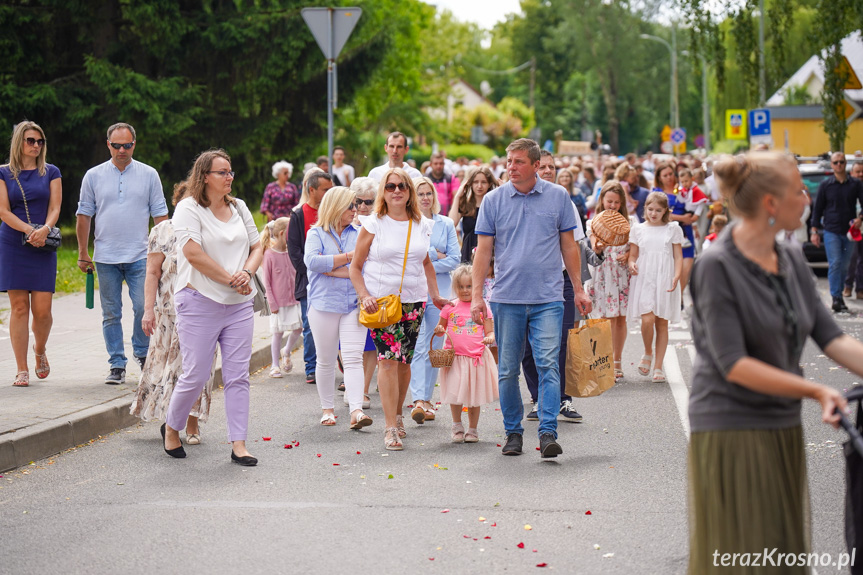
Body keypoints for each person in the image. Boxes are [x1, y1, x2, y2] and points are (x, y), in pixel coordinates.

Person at [686, 152, 863, 574]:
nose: (806, 198)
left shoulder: (791, 258)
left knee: (780, 555)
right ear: (770, 203)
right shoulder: (717, 265)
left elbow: (832, 338)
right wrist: (816, 389)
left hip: (780, 425)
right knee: (744, 556)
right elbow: (734, 364)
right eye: (799, 190)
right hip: (732, 427)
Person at [471, 138, 591, 459]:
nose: (511, 167)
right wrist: (475, 297)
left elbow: (570, 246)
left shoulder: (559, 196)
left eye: (519, 161)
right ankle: (513, 432)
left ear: (537, 166)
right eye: (509, 161)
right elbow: (483, 252)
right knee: (508, 369)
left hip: (548, 298)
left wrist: (578, 288)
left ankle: (548, 430)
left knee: (548, 364)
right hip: (506, 298)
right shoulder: (494, 200)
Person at [162, 149, 262, 466]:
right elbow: (192, 254)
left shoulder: (240, 207)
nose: (229, 177)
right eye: (223, 172)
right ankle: (172, 428)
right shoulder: (188, 209)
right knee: (196, 374)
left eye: (230, 172)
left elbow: (258, 246)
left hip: (239, 305)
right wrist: (231, 279)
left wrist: (246, 273)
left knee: (237, 377)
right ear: (205, 176)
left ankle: (239, 445)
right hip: (198, 300)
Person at [350, 168, 448, 451]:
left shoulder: (421, 224)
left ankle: (398, 415)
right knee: (388, 360)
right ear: (384, 191)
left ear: (409, 192)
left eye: (402, 186)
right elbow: (355, 267)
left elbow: (426, 263)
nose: (396, 190)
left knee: (404, 362)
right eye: (391, 186)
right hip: (382, 303)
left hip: (414, 301)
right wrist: (364, 294)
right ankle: (390, 426)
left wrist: (436, 296)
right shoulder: (373, 224)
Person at [76, 123, 168, 385]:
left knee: (143, 307)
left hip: (141, 255)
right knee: (111, 313)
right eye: (116, 145)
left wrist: (164, 253)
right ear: (108, 145)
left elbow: (160, 216)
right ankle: (117, 363)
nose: (122, 150)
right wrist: (83, 252)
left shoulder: (149, 174)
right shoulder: (93, 176)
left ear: (134, 145)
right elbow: (84, 215)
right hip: (105, 256)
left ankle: (141, 352)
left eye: (127, 145)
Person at [130, 181, 213, 445]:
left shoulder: (209, 228)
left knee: (197, 369)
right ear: (178, 203)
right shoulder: (162, 231)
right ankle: (172, 421)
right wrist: (147, 310)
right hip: (168, 313)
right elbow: (153, 273)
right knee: (168, 370)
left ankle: (191, 423)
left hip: (204, 311)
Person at [304, 186, 373, 430]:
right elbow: (312, 262)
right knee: (325, 360)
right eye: (350, 206)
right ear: (335, 207)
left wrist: (332, 269)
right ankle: (327, 409)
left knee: (354, 358)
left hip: (354, 303)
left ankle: (356, 410)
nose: (355, 210)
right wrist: (348, 259)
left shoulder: (360, 231)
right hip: (324, 305)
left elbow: (364, 266)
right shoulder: (316, 234)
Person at [0, 121, 62, 388]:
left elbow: (56, 207)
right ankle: (21, 369)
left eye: (40, 141)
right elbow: (3, 211)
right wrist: (28, 231)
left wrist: (44, 230)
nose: (36, 145)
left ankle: (39, 350)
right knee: (19, 308)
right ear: (19, 143)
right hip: (14, 242)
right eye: (30, 140)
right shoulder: (3, 173)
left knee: (43, 312)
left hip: (43, 243)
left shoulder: (50, 172)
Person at [408, 177, 460, 425]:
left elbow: (455, 259)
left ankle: (428, 400)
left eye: (429, 193)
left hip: (440, 292)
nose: (425, 198)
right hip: (415, 289)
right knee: (418, 345)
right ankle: (418, 399)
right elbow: (409, 257)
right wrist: (432, 254)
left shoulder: (446, 223)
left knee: (435, 345)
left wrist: (427, 259)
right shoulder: (408, 223)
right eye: (420, 194)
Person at [434, 264, 498, 443]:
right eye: (461, 286)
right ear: (455, 287)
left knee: (473, 396)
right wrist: (439, 328)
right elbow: (440, 330)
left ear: (477, 286)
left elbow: (490, 331)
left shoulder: (482, 307)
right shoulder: (450, 306)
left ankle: (472, 429)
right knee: (455, 393)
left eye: (469, 286)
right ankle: (456, 425)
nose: (465, 290)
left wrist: (489, 338)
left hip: (475, 358)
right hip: (454, 358)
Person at [627, 192, 683, 383]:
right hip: (644, 277)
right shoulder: (638, 229)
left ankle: (658, 366)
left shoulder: (672, 228)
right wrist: (631, 263)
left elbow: (678, 255)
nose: (653, 213)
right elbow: (633, 255)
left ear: (665, 211)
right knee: (647, 319)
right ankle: (647, 351)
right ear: (645, 209)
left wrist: (676, 275)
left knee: (662, 322)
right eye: (650, 209)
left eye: (658, 210)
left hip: (665, 277)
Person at [287, 169, 334, 384]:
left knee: (334, 324)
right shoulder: (298, 214)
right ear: (311, 189)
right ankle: (311, 367)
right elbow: (294, 249)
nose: (329, 193)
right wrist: (312, 270)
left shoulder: (333, 213)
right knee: (309, 324)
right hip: (308, 279)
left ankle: (332, 363)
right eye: (325, 189)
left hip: (335, 276)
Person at [587, 181, 631, 381]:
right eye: (609, 201)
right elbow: (593, 246)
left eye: (616, 202)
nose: (612, 205)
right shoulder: (593, 222)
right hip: (602, 273)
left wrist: (630, 254)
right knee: (602, 320)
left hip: (620, 273)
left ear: (621, 203)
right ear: (602, 200)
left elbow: (636, 247)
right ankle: (603, 362)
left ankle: (618, 361)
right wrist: (599, 247)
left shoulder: (630, 224)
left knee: (620, 319)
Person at [811, 152, 863, 312]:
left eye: (841, 162)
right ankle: (836, 297)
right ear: (832, 165)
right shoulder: (826, 185)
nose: (839, 165)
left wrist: (860, 218)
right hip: (831, 231)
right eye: (835, 163)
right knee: (835, 263)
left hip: (849, 232)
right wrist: (814, 230)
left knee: (845, 265)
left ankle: (839, 294)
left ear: (845, 163)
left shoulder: (855, 184)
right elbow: (817, 209)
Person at [348, 177, 379, 408]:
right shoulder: (344, 223)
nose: (362, 206)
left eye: (368, 201)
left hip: (372, 289)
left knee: (370, 343)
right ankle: (352, 385)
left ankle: (364, 389)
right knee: (346, 344)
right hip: (345, 290)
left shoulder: (378, 224)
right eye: (358, 201)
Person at [260, 217, 302, 378]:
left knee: (299, 328)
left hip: (294, 300)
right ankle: (275, 365)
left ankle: (287, 350)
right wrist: (272, 302)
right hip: (278, 302)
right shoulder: (269, 255)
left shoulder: (291, 252)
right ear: (283, 234)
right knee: (277, 333)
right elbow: (267, 283)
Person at [449, 166, 498, 263]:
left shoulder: (495, 205)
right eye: (475, 182)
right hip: (468, 251)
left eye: (483, 182)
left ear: (489, 184)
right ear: (470, 184)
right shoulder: (466, 204)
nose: (479, 186)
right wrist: (457, 197)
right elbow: (451, 223)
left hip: (490, 251)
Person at [845, 161, 863, 299]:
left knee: (861, 259)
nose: (861, 174)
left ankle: (860, 289)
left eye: (862, 172)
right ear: (852, 173)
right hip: (849, 229)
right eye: (858, 172)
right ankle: (848, 285)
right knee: (851, 258)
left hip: (861, 228)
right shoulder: (848, 187)